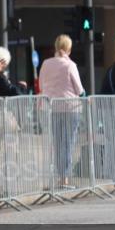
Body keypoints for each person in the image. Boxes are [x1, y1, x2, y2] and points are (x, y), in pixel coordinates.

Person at [39, 34, 85, 187]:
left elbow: (41, 85)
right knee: (69, 142)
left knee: (58, 143)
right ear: (68, 49)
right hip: (71, 107)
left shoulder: (45, 63)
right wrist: (86, 98)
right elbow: (79, 89)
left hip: (52, 107)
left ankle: (60, 177)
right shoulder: (70, 65)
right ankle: (65, 178)